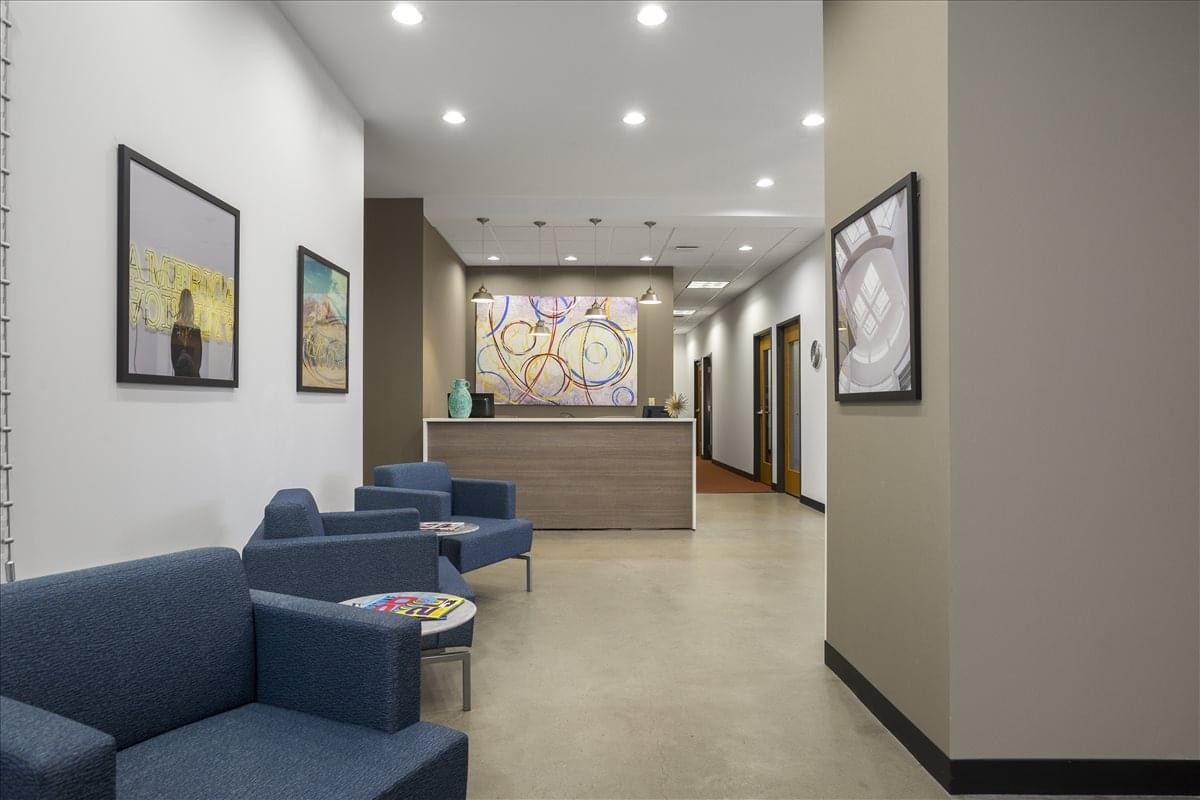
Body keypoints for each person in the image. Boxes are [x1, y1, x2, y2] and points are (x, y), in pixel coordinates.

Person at [170, 288, 203, 377]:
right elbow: (174, 358)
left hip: (188, 376)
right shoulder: (177, 327)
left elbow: (197, 362)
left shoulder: (194, 330)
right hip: (184, 376)